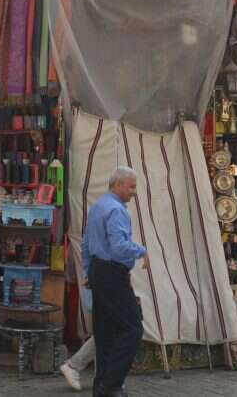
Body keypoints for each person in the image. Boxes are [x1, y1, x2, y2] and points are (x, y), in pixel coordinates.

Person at [81, 166, 148, 397]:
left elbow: (86, 244)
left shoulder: (98, 206)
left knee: (105, 331)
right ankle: (112, 384)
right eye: (131, 186)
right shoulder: (117, 210)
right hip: (112, 273)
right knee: (132, 328)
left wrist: (89, 273)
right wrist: (142, 251)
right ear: (118, 184)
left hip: (99, 271)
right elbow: (119, 248)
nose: (134, 191)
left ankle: (101, 386)